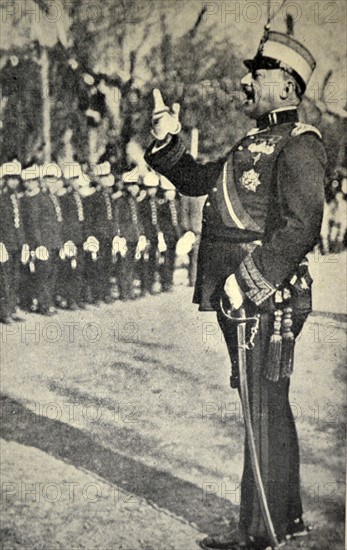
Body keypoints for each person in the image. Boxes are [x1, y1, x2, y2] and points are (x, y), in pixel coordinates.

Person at [145, 29, 326, 550]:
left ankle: (260, 533)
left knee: (263, 406)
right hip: (244, 298)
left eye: (257, 75)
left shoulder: (300, 144)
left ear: (288, 87)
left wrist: (246, 284)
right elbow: (199, 180)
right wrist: (167, 140)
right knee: (262, 405)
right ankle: (278, 523)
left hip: (262, 296)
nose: (244, 83)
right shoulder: (252, 143)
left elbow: (301, 225)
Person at [0, 160, 25, 323]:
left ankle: (12, 308)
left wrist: (23, 242)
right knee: (5, 279)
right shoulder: (1, 198)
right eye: (11, 178)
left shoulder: (15, 198)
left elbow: (19, 222)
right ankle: (4, 312)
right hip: (5, 244)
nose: (14, 182)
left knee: (15, 277)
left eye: (16, 179)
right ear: (5, 179)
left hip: (16, 243)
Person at [158, 175, 182, 291]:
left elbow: (179, 221)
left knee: (172, 259)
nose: (170, 194)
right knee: (166, 260)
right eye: (167, 192)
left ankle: (170, 281)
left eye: (172, 191)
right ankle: (166, 283)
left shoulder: (178, 204)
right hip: (167, 236)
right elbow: (161, 222)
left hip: (175, 236)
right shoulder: (162, 206)